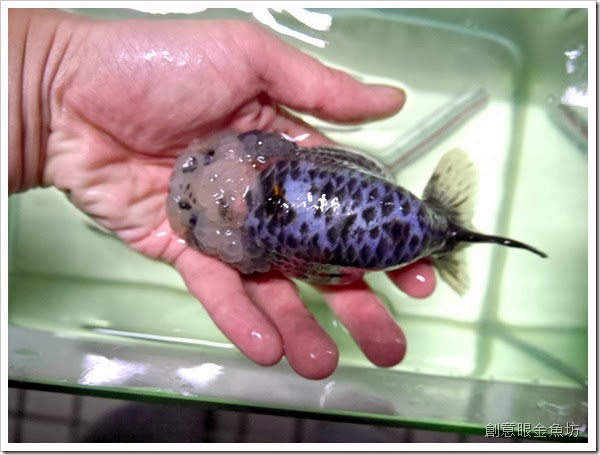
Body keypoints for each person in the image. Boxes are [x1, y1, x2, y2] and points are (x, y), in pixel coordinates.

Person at [8, 8, 436, 380]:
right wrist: (42, 80)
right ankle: (439, 234)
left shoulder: (254, 202)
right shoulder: (255, 195)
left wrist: (43, 82)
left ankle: (438, 233)